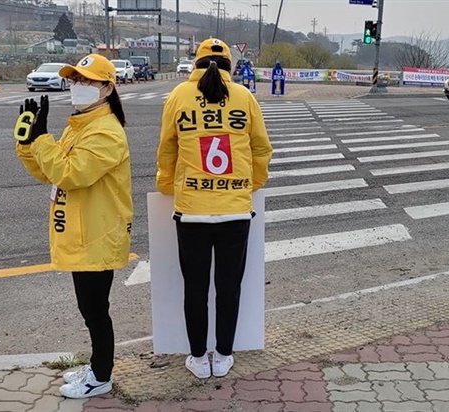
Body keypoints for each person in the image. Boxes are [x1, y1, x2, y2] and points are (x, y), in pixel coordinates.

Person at [14, 54, 133, 398]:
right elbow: (48, 172)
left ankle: (101, 376)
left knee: (95, 310)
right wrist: (27, 143)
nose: (79, 86)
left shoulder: (107, 132)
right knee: (90, 308)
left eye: (88, 81)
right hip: (79, 232)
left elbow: (71, 173)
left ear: (108, 88)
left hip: (97, 235)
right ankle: (97, 366)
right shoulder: (77, 127)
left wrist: (41, 140)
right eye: (76, 80)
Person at [156, 38, 273, 379]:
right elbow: (261, 148)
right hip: (235, 212)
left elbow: (167, 149)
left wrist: (168, 186)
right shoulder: (245, 97)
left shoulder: (178, 96)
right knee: (229, 287)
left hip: (191, 211)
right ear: (230, 67)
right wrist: (250, 185)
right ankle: (222, 356)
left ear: (196, 64)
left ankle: (197, 357)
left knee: (194, 288)